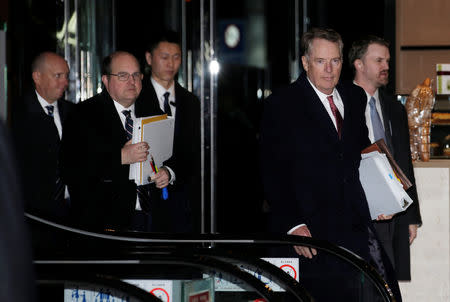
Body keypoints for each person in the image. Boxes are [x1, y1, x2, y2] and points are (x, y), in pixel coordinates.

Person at [260, 28, 401, 301]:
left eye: (335, 61)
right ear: (305, 62)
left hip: (355, 226)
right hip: (311, 233)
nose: (329, 69)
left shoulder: (353, 96)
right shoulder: (282, 104)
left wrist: (384, 198)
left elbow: (365, 155)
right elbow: (272, 170)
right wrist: (292, 225)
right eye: (320, 61)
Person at [349, 35, 422, 281]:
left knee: (387, 283)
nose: (386, 66)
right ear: (359, 64)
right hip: (355, 212)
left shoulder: (394, 108)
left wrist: (411, 217)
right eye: (378, 60)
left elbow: (404, 163)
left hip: (391, 216)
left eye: (387, 61)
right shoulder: (342, 103)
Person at [61, 51, 156, 231]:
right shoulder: (83, 114)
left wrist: (167, 171)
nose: (132, 81)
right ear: (105, 80)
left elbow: (168, 155)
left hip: (151, 219)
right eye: (123, 75)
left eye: (136, 75)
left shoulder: (152, 110)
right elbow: (71, 170)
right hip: (105, 224)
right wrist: (120, 157)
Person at [136, 30, 200, 233]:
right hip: (144, 200)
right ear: (149, 58)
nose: (171, 64)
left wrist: (171, 171)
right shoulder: (136, 96)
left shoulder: (190, 101)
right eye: (164, 57)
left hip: (182, 201)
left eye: (176, 57)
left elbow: (192, 150)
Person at [11, 51, 74, 223]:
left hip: (72, 211)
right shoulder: (16, 115)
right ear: (37, 77)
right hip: (34, 215)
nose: (65, 82)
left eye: (66, 76)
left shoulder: (73, 113)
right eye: (58, 76)